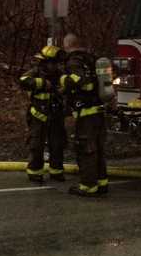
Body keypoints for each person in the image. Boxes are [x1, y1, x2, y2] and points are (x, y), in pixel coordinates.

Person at [59, 33, 109, 197]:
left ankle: (88, 186)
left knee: (86, 149)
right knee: (98, 149)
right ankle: (102, 183)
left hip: (86, 113)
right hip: (99, 111)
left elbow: (79, 81)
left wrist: (63, 80)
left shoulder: (74, 61)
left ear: (67, 45)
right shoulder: (92, 58)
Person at [19, 45, 67, 183]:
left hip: (56, 115)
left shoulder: (60, 74)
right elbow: (23, 81)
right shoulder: (36, 72)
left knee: (57, 144)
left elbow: (67, 87)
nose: (55, 66)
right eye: (54, 63)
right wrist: (41, 83)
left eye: (57, 63)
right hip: (38, 115)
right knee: (36, 144)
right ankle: (35, 172)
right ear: (47, 62)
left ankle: (56, 171)